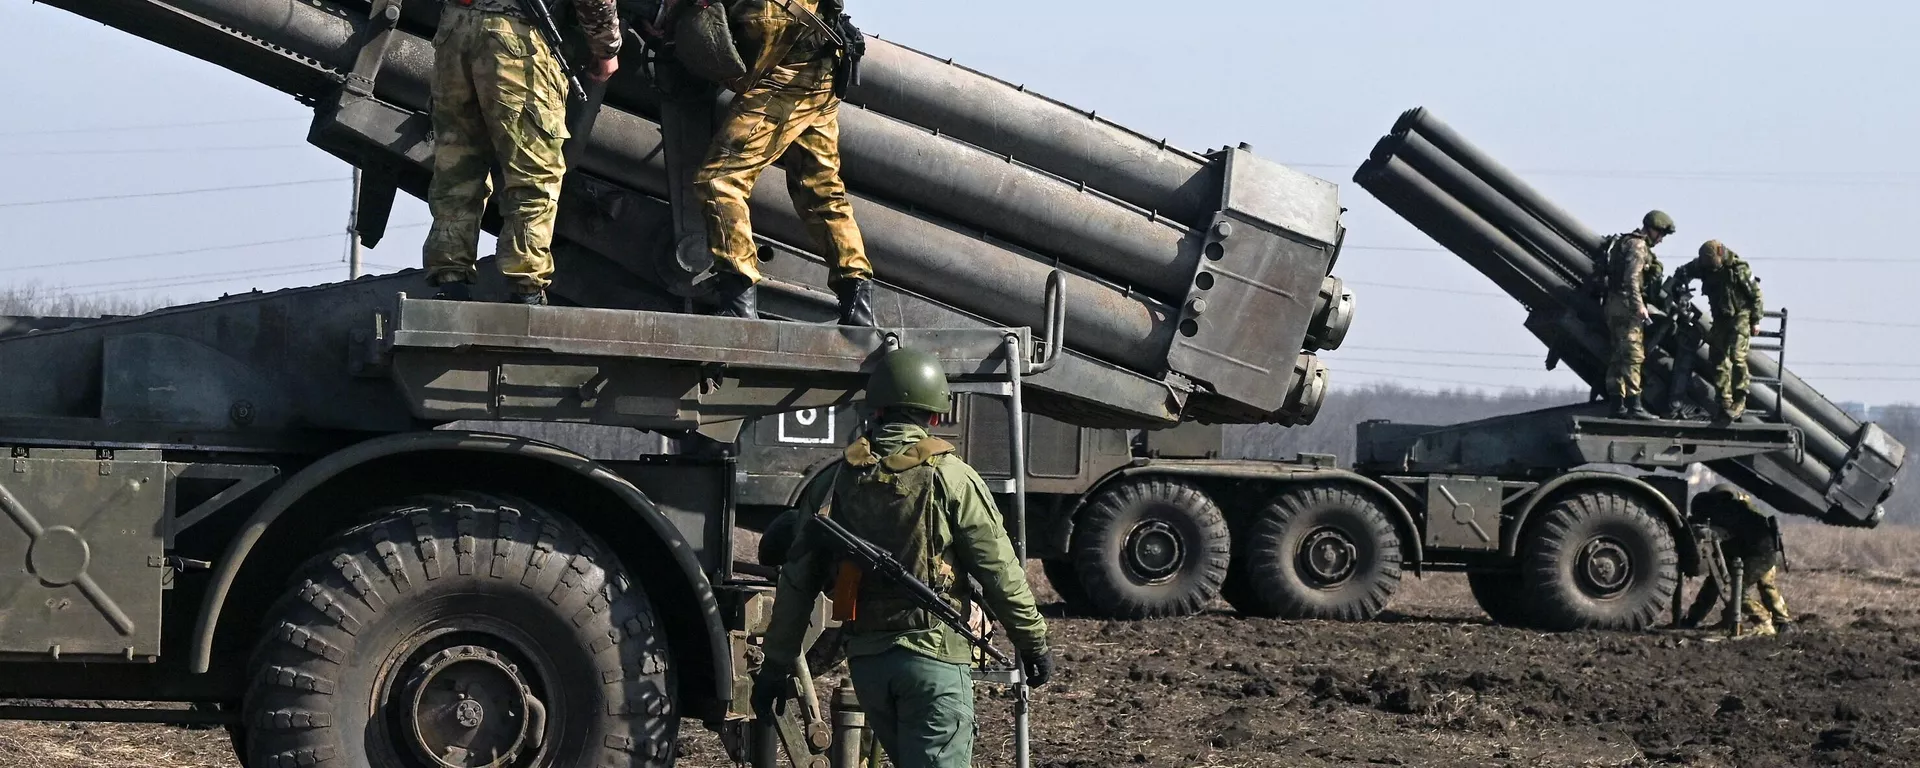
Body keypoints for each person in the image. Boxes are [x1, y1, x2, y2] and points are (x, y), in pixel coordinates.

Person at [754, 347, 1052, 768]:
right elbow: (1001, 571)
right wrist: (1033, 642)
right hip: (934, 662)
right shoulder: (951, 476)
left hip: (870, 666)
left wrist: (775, 664)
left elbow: (798, 581)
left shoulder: (834, 480)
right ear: (934, 416)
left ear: (876, 411)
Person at [421, 0, 622, 305]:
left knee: (457, 162)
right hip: (515, 39)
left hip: (454, 33)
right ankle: (526, 286)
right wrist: (607, 48)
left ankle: (451, 279)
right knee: (534, 169)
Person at [693, 0, 875, 326]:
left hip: (791, 73)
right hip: (820, 65)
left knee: (720, 180)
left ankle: (738, 299)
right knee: (820, 188)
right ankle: (856, 302)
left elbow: (763, 24)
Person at [1667, 240, 1765, 424]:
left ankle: (1740, 400)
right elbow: (1684, 272)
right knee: (1717, 357)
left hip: (1740, 316)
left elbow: (1756, 295)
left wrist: (1756, 320)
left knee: (1737, 357)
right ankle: (1724, 401)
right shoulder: (1703, 265)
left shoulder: (1738, 269)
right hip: (1720, 318)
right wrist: (1678, 286)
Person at [1680, 483, 1791, 637]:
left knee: (1736, 590)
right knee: (1717, 583)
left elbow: (1718, 535)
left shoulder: (1728, 514)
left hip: (1759, 553)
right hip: (1749, 552)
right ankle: (1719, 620)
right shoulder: (1736, 509)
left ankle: (1765, 622)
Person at [1601, 210, 1676, 420]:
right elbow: (1632, 279)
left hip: (1613, 304)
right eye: (1660, 234)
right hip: (1627, 307)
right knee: (1633, 355)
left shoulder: (1624, 242)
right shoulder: (1639, 246)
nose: (1660, 240)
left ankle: (1617, 405)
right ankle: (1634, 406)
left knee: (1617, 355)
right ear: (1652, 229)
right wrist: (1640, 306)